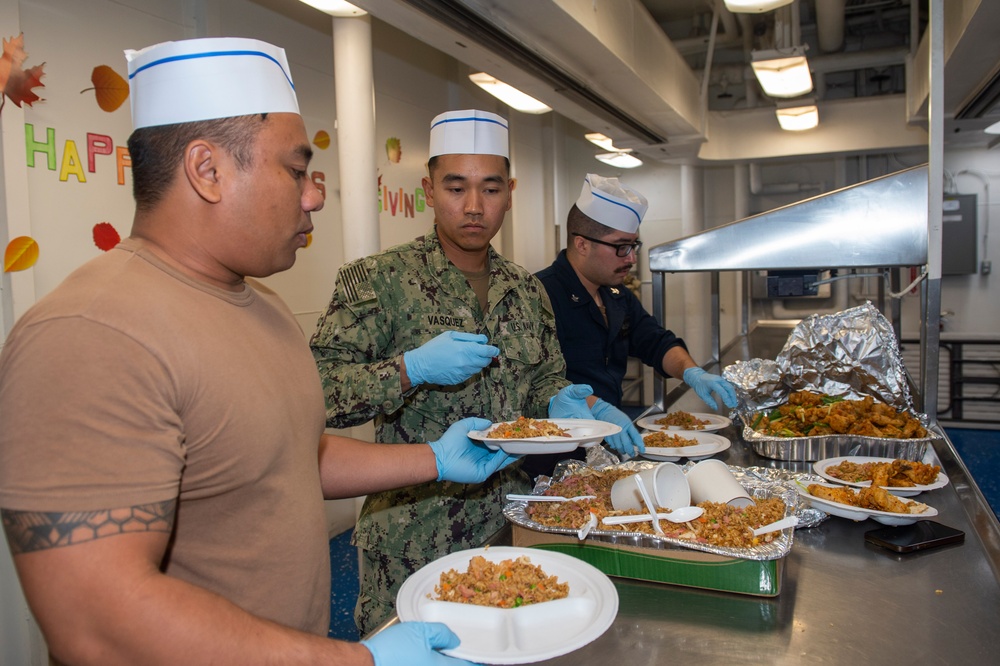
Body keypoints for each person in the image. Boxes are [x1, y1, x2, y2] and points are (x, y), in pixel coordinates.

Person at [0, 38, 518, 666]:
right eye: (296, 171)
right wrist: (361, 661)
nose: (315, 195)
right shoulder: (92, 334)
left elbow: (290, 458)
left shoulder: (261, 307)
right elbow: (96, 624)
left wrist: (433, 458)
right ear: (208, 170)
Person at [310, 109, 641, 634]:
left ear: (509, 192)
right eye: (455, 188)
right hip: (410, 534)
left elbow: (543, 380)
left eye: (489, 190)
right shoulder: (378, 281)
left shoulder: (526, 289)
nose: (472, 207)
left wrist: (563, 402)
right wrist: (408, 370)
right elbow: (317, 393)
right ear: (427, 190)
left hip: (505, 525)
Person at [525, 174, 739, 478]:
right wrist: (597, 408)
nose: (632, 258)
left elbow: (654, 340)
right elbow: (533, 379)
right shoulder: (538, 295)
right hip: (553, 457)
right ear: (582, 244)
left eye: (634, 245)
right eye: (621, 247)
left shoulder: (615, 295)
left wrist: (692, 372)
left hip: (607, 444)